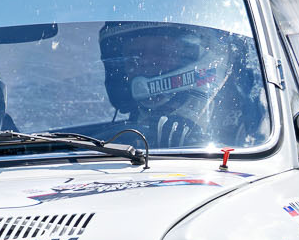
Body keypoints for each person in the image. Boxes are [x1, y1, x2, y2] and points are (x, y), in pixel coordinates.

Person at [99, 21, 265, 148]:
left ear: (192, 58)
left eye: (162, 52)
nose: (147, 62)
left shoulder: (239, 118)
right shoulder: (119, 136)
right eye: (135, 55)